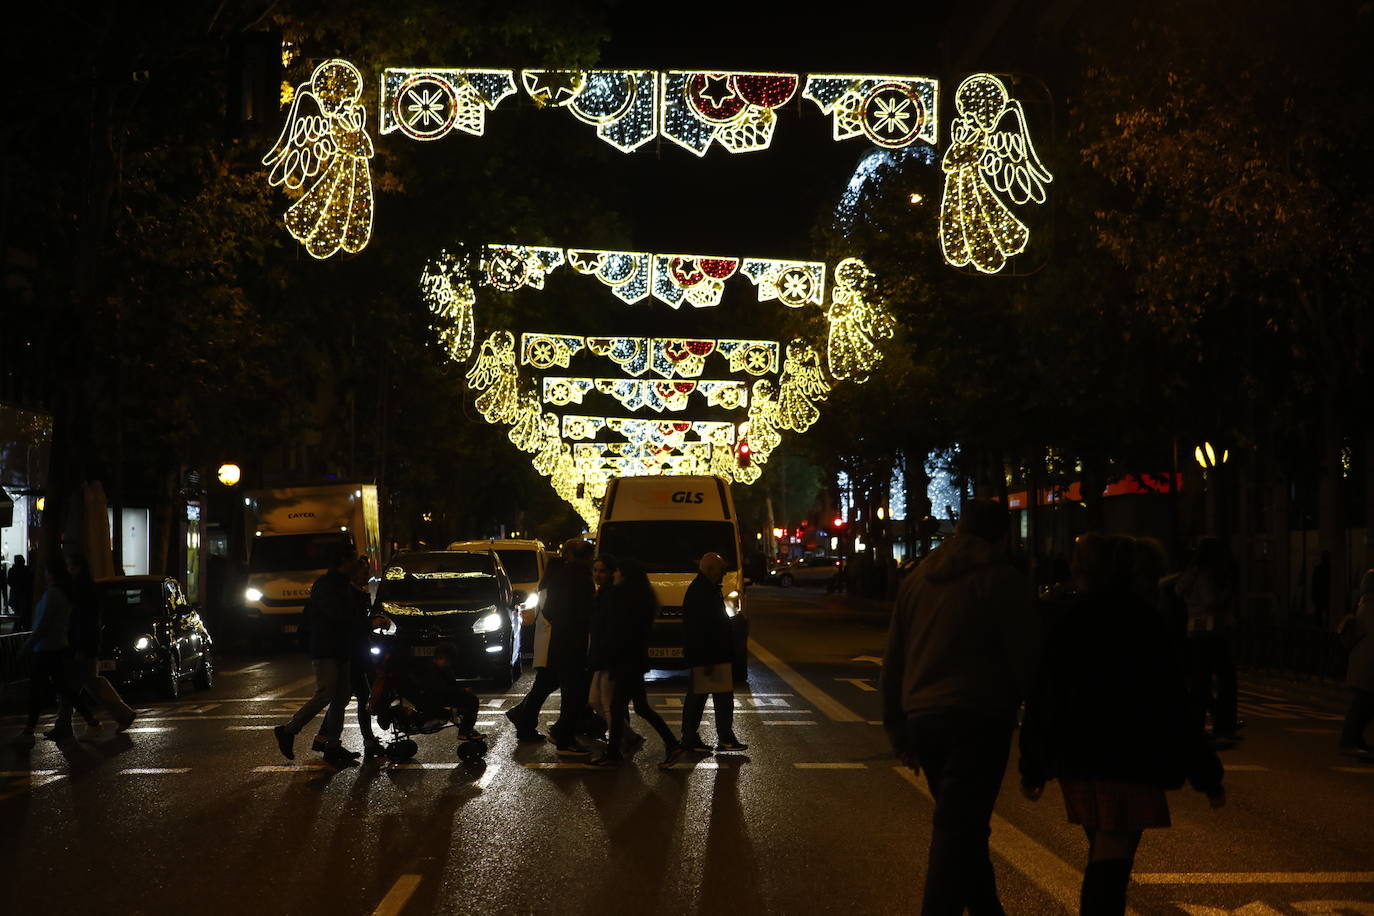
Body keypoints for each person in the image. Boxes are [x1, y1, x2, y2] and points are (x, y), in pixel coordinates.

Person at [1020, 534, 1225, 916]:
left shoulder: (1070, 621)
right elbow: (1172, 702)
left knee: (1104, 851)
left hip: (1079, 757)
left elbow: (1045, 695)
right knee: (1111, 860)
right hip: (1130, 757)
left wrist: (1034, 763)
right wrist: (1206, 773)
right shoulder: (1145, 623)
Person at [880, 499, 1041, 916]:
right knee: (958, 830)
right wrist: (1036, 752)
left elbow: (894, 660)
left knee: (962, 828)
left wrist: (898, 729)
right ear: (1002, 537)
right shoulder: (1000, 580)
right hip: (979, 715)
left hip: (923, 718)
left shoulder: (918, 580)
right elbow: (1028, 663)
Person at [590, 559, 685, 769]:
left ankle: (614, 754)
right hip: (635, 660)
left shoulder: (623, 600)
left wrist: (612, 660)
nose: (614, 575)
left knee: (616, 707)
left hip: (625, 661)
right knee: (640, 707)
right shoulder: (643, 598)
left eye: (617, 572)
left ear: (625, 576)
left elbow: (618, 634)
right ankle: (672, 744)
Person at [273, 544, 360, 768]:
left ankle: (332, 746)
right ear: (343, 561)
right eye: (353, 560)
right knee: (325, 694)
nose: (357, 564)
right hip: (326, 649)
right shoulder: (326, 586)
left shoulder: (341, 584)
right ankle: (289, 730)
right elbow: (336, 615)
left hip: (340, 648)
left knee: (340, 699)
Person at [11, 558, 97, 746]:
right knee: (64, 689)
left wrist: (27, 647)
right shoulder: (63, 594)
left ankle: (28, 732)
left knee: (42, 690)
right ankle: (91, 721)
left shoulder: (53, 595)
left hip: (47, 649)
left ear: (51, 574)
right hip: (56, 647)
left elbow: (43, 625)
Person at [53, 553, 136, 736]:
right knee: (89, 683)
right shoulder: (87, 587)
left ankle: (65, 724)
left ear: (75, 567)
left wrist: (79, 646)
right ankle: (121, 714)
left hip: (82, 645)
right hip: (86, 645)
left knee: (73, 686)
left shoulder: (80, 589)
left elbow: (82, 621)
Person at [679, 552, 746, 755]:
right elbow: (702, 628)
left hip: (709, 653)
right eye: (721, 570)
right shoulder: (703, 591)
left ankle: (693, 736)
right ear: (709, 570)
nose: (724, 574)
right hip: (711, 654)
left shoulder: (703, 589)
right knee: (718, 699)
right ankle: (721, 738)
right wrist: (706, 657)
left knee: (700, 697)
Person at [1175, 537, 1240, 740]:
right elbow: (1211, 600)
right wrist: (1226, 596)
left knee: (1200, 681)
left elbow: (1179, 591)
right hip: (1212, 633)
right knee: (1226, 678)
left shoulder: (1190, 574)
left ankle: (1196, 724)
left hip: (1194, 631)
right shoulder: (1207, 574)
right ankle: (1223, 724)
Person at [540, 538, 596, 757]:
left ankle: (563, 734)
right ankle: (565, 739)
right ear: (585, 558)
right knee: (576, 694)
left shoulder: (559, 576)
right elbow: (589, 614)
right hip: (575, 643)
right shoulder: (583, 580)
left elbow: (548, 610)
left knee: (570, 692)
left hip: (560, 641)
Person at [505, 551, 566, 743]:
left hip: (546, 647)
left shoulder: (545, 590)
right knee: (543, 687)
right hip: (550, 649)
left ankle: (521, 716)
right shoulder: (552, 592)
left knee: (544, 687)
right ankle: (523, 721)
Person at [341, 556, 383, 758]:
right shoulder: (350, 595)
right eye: (364, 573)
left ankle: (367, 739)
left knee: (356, 696)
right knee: (352, 697)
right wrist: (372, 623)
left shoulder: (359, 594)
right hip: (354, 653)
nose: (367, 576)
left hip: (360, 652)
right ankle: (367, 739)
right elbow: (355, 624)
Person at [1337, 569, 1374, 758]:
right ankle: (1349, 741)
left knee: (1365, 703)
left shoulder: (1364, 605)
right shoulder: (1370, 607)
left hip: (1363, 662)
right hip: (1367, 664)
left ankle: (1354, 739)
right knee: (1363, 704)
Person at [584, 555, 619, 742]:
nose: (597, 574)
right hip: (599, 656)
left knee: (606, 703)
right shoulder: (600, 593)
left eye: (602, 571)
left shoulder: (610, 595)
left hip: (607, 657)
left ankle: (618, 741)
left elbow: (609, 629)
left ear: (611, 573)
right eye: (595, 570)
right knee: (595, 700)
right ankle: (627, 737)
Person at [8, 555, 34, 632]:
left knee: (18, 613)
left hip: (15, 595)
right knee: (23, 613)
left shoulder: (12, 570)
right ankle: (20, 627)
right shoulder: (26, 570)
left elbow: (9, 582)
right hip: (23, 595)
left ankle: (17, 628)